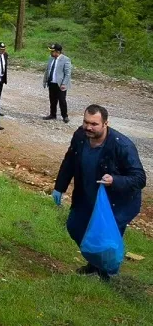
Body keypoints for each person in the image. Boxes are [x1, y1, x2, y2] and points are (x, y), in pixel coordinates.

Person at [52, 105, 146, 279]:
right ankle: (94, 262)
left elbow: (140, 178)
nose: (88, 127)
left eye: (94, 124)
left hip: (115, 204)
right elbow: (70, 161)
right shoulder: (80, 136)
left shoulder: (122, 146)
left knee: (106, 241)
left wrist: (115, 180)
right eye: (86, 122)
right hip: (86, 196)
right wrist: (59, 187)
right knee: (75, 227)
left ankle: (106, 273)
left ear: (105, 124)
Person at [43, 43, 72, 123]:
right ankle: (52, 114)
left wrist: (64, 83)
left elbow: (68, 73)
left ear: (57, 52)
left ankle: (65, 116)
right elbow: (47, 70)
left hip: (60, 84)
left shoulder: (66, 59)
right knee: (52, 99)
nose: (51, 53)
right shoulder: (50, 58)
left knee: (62, 100)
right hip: (52, 82)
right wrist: (45, 81)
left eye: (52, 51)